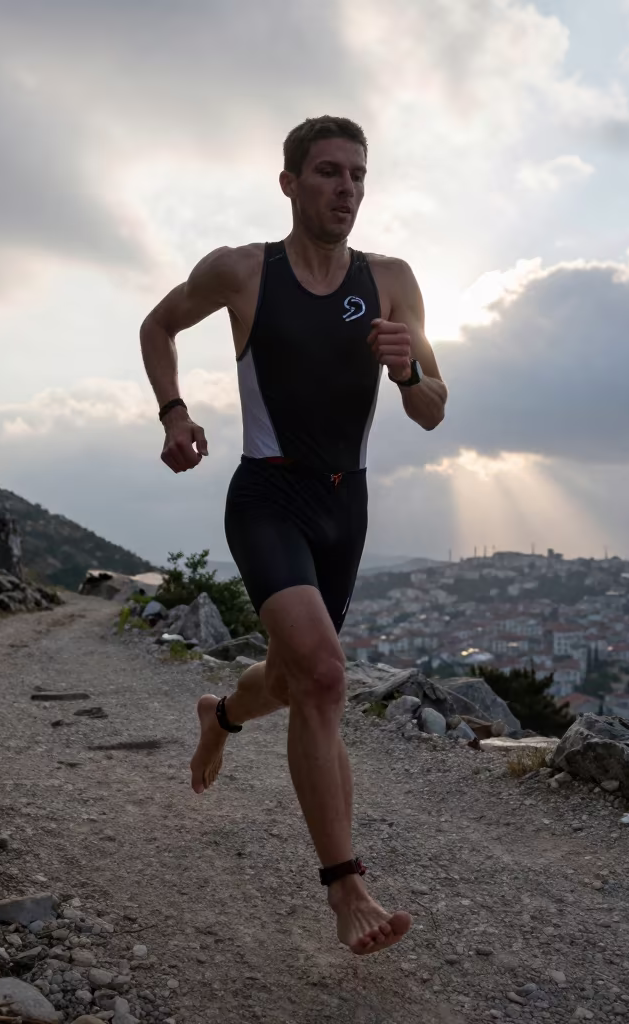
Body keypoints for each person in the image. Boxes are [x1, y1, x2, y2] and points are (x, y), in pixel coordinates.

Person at [139, 116, 448, 955]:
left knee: (291, 677)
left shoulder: (391, 280)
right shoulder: (242, 271)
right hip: (268, 495)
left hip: (347, 506)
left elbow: (431, 408)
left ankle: (222, 714)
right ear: (289, 183)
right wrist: (173, 412)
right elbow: (157, 326)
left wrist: (409, 366)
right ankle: (345, 887)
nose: (345, 188)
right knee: (324, 674)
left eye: (358, 175)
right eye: (326, 172)